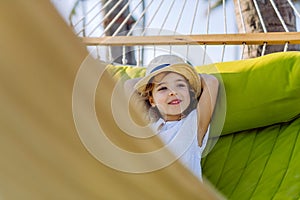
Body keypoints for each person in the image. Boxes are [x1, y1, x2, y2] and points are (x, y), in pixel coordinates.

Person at [124, 54, 219, 181]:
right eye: (163, 88)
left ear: (190, 96)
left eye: (180, 85)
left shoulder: (193, 124)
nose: (173, 92)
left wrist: (190, 78)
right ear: (151, 100)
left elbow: (211, 82)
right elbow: (129, 85)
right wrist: (151, 79)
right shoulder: (147, 127)